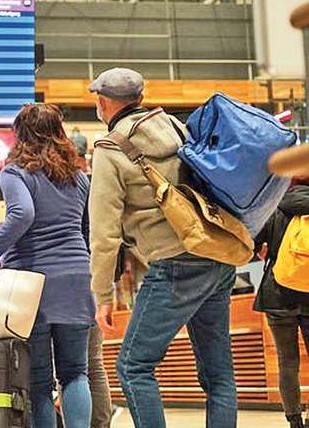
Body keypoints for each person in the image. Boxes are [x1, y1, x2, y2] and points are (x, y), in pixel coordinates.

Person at [89, 67, 237, 428]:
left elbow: (104, 233)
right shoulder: (174, 126)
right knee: (218, 373)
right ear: (140, 98)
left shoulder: (110, 149)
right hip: (216, 255)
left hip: (174, 265)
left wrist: (102, 295)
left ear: (103, 102)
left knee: (133, 366)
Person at [0, 103, 95, 428]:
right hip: (76, 277)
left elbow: (22, 215)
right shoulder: (79, 177)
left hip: (32, 283)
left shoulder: (15, 172)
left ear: (21, 133)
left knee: (40, 381)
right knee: (75, 373)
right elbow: (86, 230)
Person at [253, 176, 309, 428]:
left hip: (278, 294)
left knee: (288, 361)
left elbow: (253, 243)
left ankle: (294, 420)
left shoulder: (273, 205)